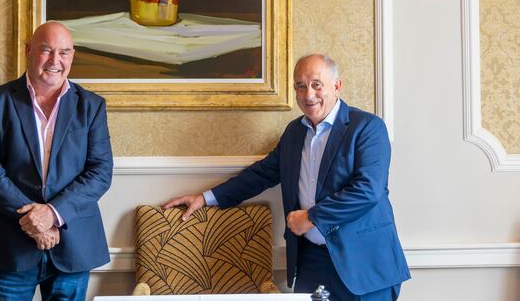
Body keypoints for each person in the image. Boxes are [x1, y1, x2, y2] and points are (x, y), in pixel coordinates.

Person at [164, 54, 410, 300]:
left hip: (364, 263)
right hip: (311, 262)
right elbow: (262, 174)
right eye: (300, 86)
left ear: (337, 86)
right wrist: (206, 198)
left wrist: (312, 217)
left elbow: (368, 190)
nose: (308, 94)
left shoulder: (368, 127)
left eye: (316, 84)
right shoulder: (294, 132)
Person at [0, 21, 113, 301]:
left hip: (73, 243)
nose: (55, 61)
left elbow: (100, 171)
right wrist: (33, 220)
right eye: (46, 50)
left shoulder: (92, 106)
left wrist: (52, 214)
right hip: (9, 244)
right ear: (28, 51)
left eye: (64, 52)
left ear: (72, 56)